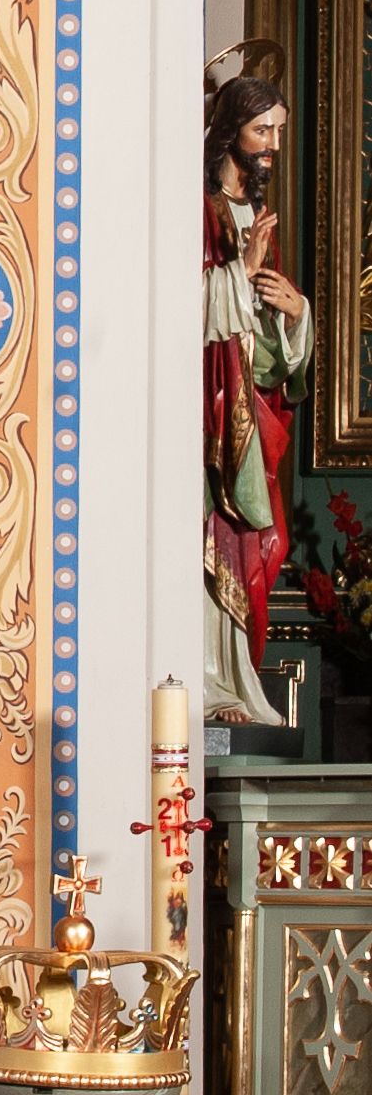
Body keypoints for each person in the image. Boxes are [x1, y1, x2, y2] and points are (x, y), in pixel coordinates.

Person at [204, 70, 312, 721]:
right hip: (207, 410)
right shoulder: (198, 210)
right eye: (261, 129)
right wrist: (238, 274)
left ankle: (237, 676)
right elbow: (171, 309)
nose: (272, 143)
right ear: (229, 132)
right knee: (210, 533)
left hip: (249, 405)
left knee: (248, 537)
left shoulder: (257, 215)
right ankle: (208, 681)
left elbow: (272, 354)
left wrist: (295, 313)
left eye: (278, 130)